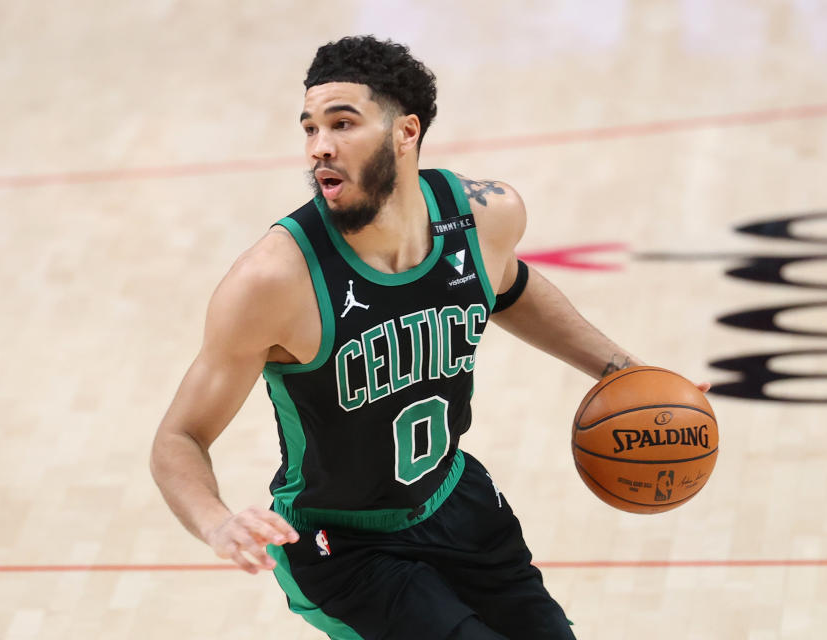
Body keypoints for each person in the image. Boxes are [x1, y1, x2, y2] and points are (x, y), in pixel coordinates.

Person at [150, 35, 708, 640]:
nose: (320, 148)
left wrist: (624, 372)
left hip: (455, 500)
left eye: (342, 123)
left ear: (405, 132)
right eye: (309, 128)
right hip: (345, 547)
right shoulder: (273, 281)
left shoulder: (483, 214)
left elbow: (510, 286)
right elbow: (179, 436)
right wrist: (216, 522)